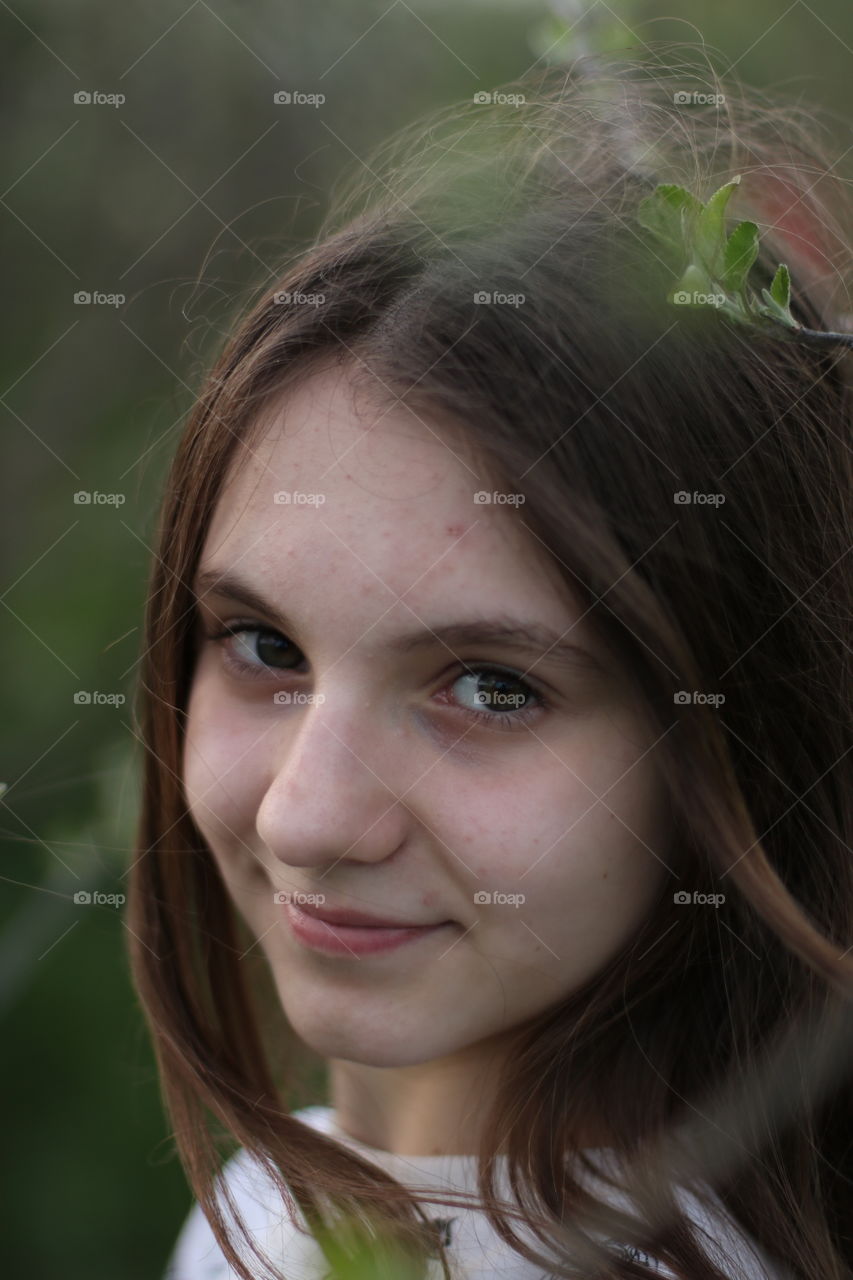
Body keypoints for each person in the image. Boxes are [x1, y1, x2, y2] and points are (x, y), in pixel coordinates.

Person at [128, 49, 853, 1280]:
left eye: (490, 685)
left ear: (739, 728)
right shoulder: (255, 1217)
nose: (306, 814)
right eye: (263, 646)